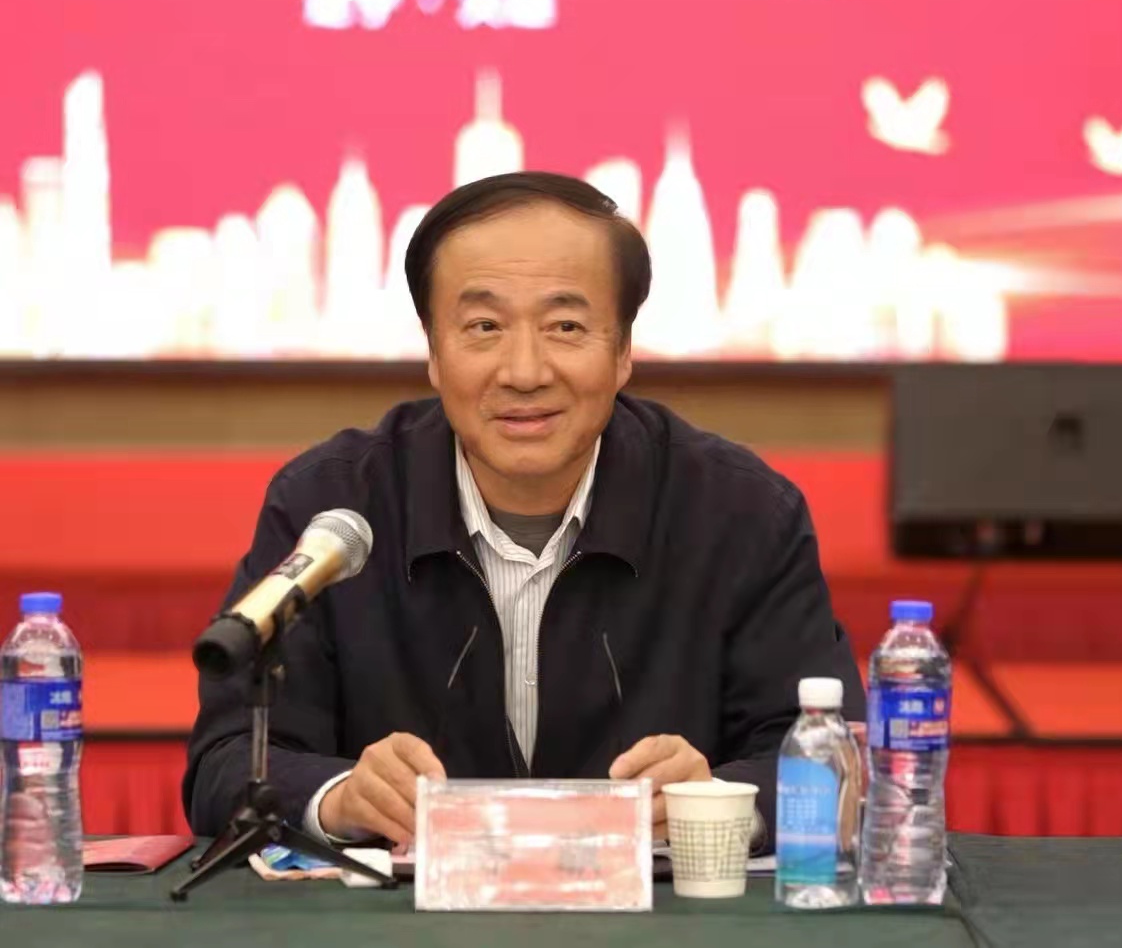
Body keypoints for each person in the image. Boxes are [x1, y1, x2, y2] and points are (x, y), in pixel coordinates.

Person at [183, 171, 865, 852]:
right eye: (484, 327)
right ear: (433, 352)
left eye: (565, 326)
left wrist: (712, 801)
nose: (525, 371)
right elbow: (228, 760)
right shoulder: (332, 506)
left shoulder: (739, 513)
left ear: (623, 351)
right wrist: (341, 798)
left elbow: (833, 760)